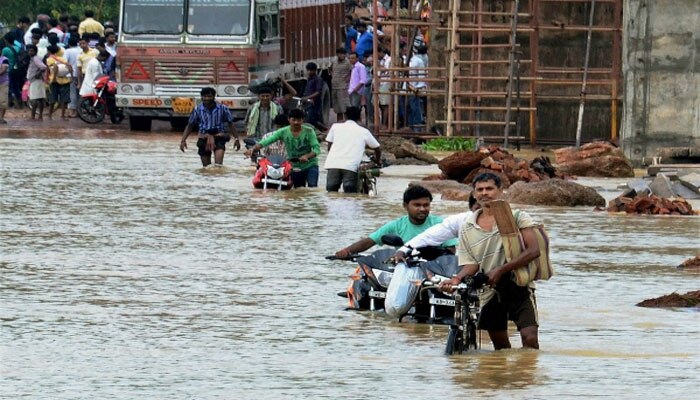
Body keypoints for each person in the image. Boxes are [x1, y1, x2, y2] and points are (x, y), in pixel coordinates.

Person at [439, 172, 541, 350]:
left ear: (501, 191)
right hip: (489, 290)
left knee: (530, 339)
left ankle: (526, 377)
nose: (485, 193)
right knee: (500, 347)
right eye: (480, 189)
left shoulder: (517, 217)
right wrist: (455, 279)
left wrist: (501, 270)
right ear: (474, 193)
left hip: (519, 285)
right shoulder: (467, 227)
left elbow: (534, 250)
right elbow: (471, 264)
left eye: (489, 188)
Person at [335, 185, 458, 258]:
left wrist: (434, 253)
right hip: (403, 268)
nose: (422, 209)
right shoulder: (396, 225)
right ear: (405, 206)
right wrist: (346, 251)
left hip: (433, 271)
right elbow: (370, 241)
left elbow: (451, 252)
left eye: (426, 205)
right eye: (417, 205)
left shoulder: (440, 224)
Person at [244, 108, 320, 188]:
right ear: (289, 120)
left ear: (302, 120)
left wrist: (307, 156)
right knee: (299, 189)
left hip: (310, 164)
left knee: (312, 187)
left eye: (299, 120)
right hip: (293, 165)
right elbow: (266, 142)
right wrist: (253, 149)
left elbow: (316, 149)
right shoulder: (282, 132)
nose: (296, 122)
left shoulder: (309, 131)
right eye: (294, 120)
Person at [324, 106, 381, 193]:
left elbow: (329, 147)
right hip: (351, 166)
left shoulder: (335, 127)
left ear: (345, 116)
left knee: (331, 191)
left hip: (333, 163)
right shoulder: (364, 131)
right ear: (360, 118)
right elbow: (377, 148)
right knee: (350, 193)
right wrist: (377, 161)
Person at [180, 87, 240, 167]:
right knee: (206, 167)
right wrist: (183, 140)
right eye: (204, 96)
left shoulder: (223, 108)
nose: (206, 99)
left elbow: (230, 124)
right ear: (201, 97)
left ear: (213, 97)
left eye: (209, 96)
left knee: (218, 166)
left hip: (219, 138)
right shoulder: (197, 109)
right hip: (203, 138)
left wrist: (236, 139)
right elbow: (190, 125)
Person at [46, 45, 72, 120]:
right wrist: (72, 77)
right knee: (64, 100)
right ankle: (62, 115)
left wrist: (52, 78)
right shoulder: (62, 58)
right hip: (65, 80)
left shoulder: (49, 59)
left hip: (54, 81)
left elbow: (54, 67)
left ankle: (50, 115)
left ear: (49, 51)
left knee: (52, 99)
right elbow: (69, 66)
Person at [24, 44, 46, 120]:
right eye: (29, 51)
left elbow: (43, 67)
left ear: (35, 51)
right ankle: (40, 116)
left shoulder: (35, 58)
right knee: (40, 99)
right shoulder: (33, 58)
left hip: (36, 80)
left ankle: (33, 116)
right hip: (35, 80)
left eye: (32, 51)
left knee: (35, 99)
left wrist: (38, 73)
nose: (30, 52)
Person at [330, 47, 352, 122]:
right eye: (340, 54)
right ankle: (339, 123)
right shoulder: (334, 61)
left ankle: (347, 123)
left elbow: (352, 72)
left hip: (342, 88)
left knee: (344, 107)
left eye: (344, 54)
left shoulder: (347, 63)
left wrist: (347, 80)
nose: (342, 55)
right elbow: (330, 69)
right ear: (337, 54)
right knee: (337, 108)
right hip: (334, 87)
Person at [301, 62, 323, 130]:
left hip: (315, 102)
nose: (309, 72)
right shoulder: (308, 79)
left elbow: (318, 92)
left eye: (311, 70)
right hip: (307, 102)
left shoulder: (318, 79)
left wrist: (307, 97)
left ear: (315, 70)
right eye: (308, 70)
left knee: (313, 119)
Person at [0, 52, 9, 123]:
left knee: (3, 100)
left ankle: (1, 118)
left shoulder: (4, 59)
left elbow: (4, 70)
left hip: (3, 82)